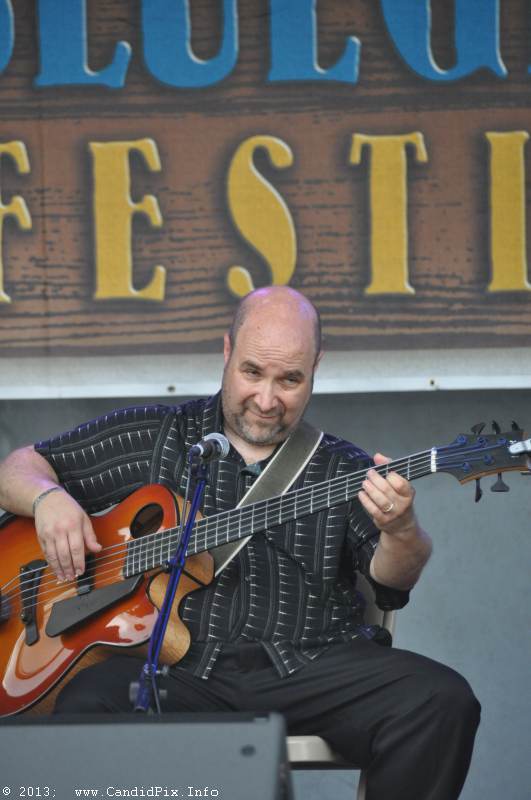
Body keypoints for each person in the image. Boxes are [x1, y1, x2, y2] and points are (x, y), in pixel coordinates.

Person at [0, 287, 480, 799]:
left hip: (308, 666)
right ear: (226, 351)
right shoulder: (156, 435)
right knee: (90, 703)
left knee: (440, 700)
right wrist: (48, 498)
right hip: (177, 672)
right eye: (252, 372)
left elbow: (392, 582)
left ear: (316, 367)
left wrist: (402, 530)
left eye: (289, 380)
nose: (267, 400)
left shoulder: (344, 468)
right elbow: (18, 468)